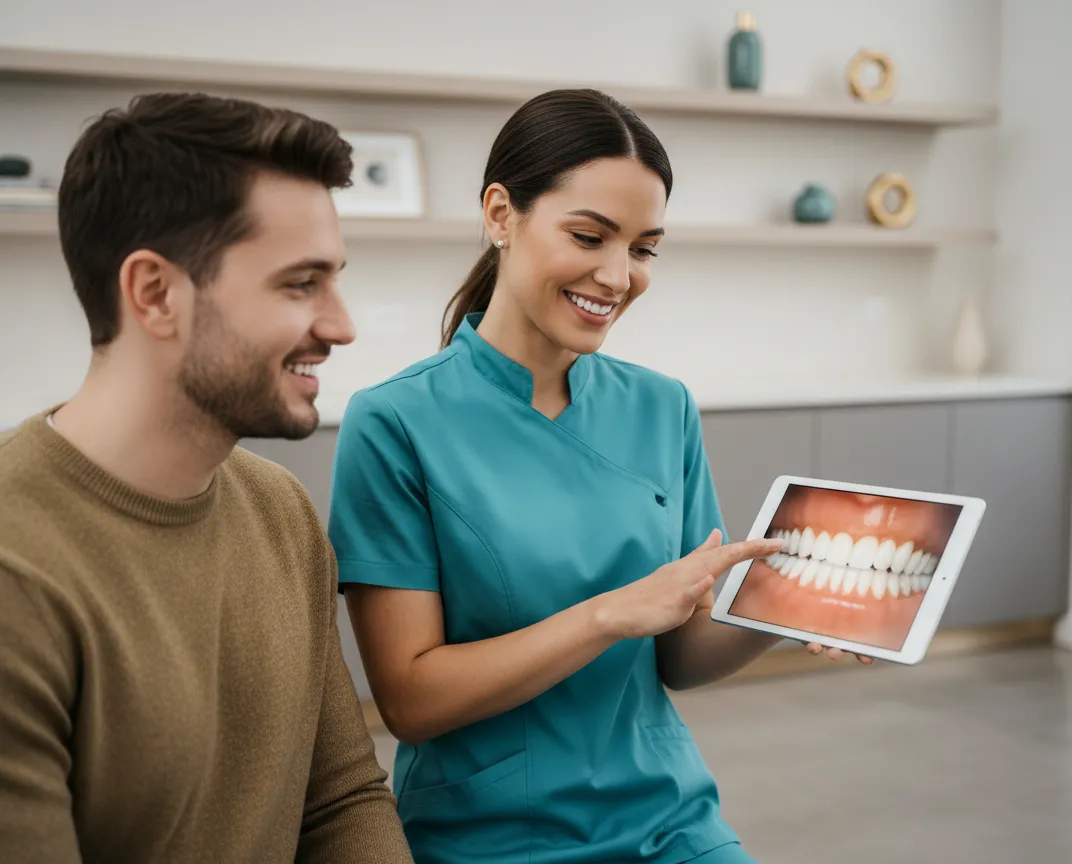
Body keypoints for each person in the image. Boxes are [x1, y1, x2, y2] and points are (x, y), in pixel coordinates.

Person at [327, 88, 873, 864]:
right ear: (500, 215)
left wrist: (781, 610)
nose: (618, 276)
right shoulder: (395, 424)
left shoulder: (663, 407)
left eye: (645, 249)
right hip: (493, 837)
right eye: (590, 235)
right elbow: (411, 701)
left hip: (670, 820)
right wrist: (608, 616)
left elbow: (680, 657)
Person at [0, 92, 414, 863]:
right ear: (155, 293)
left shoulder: (280, 510)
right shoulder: (17, 569)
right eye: (300, 284)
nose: (342, 324)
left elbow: (341, 799)